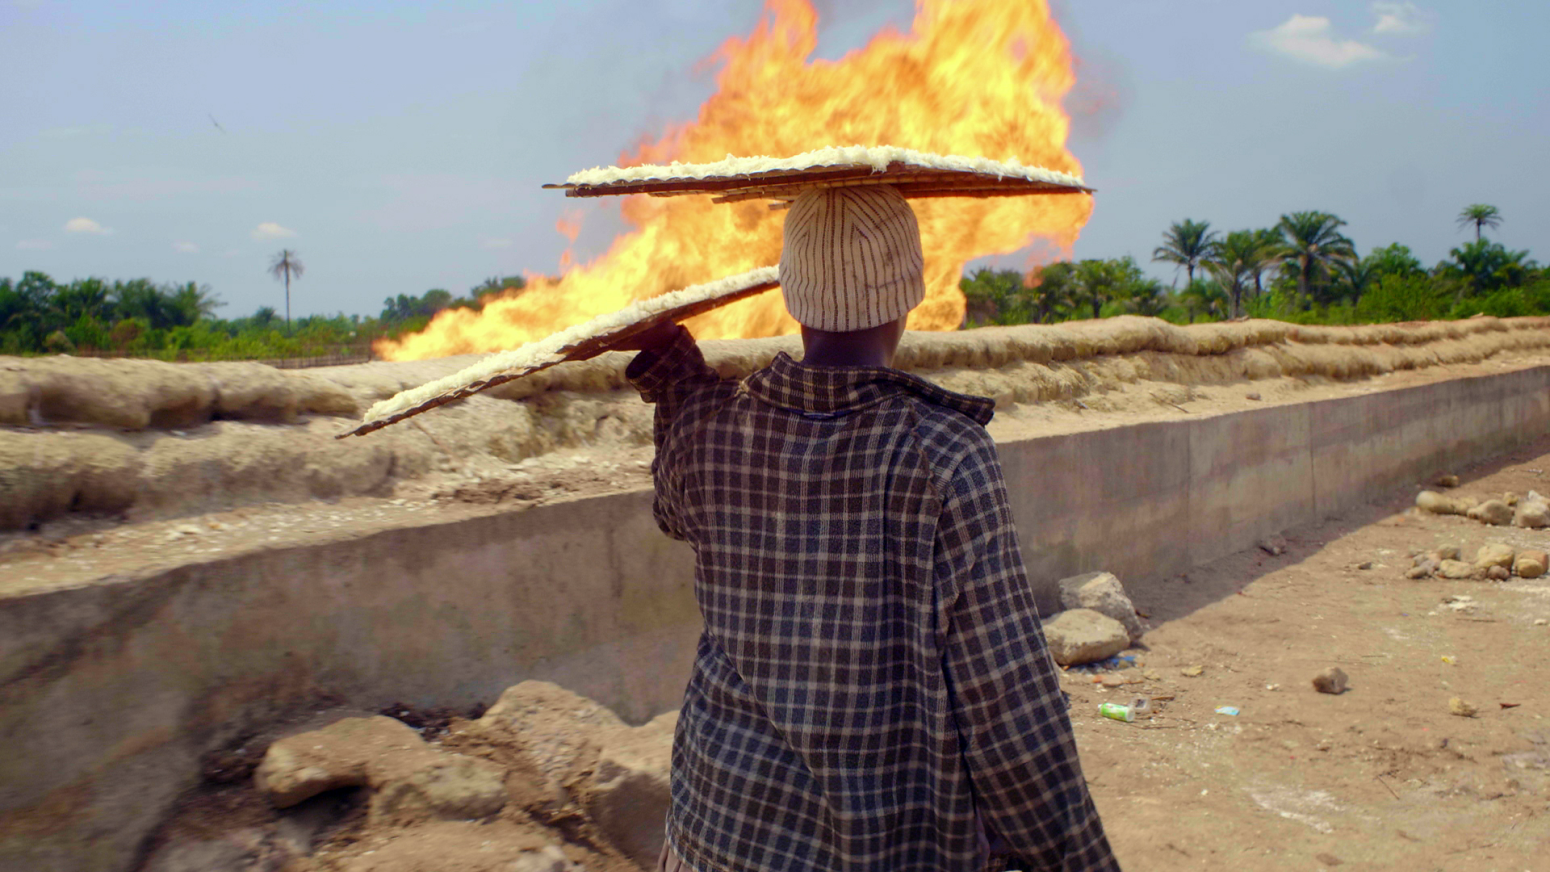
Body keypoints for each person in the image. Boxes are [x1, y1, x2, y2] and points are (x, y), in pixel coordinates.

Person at [618, 185, 1118, 872]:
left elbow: (676, 503)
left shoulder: (710, 431)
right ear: (910, 291)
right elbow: (1005, 707)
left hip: (714, 832)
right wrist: (1073, 859)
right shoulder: (943, 457)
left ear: (791, 296)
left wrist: (669, 365)